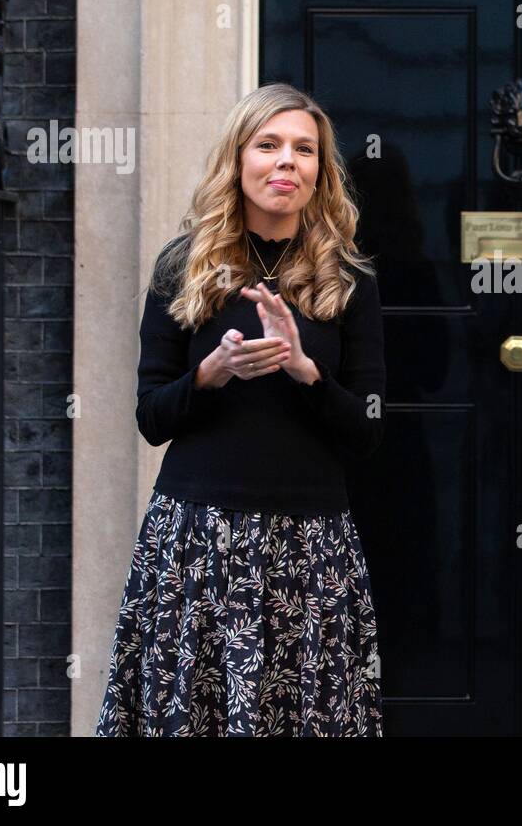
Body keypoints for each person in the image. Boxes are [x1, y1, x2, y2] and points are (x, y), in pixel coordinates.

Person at [95, 83, 385, 737]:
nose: (288, 161)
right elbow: (151, 415)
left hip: (309, 544)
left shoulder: (346, 279)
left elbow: (366, 429)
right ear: (238, 158)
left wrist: (305, 371)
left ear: (319, 171)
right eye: (270, 145)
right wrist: (209, 373)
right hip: (199, 539)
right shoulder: (186, 266)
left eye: (305, 149)